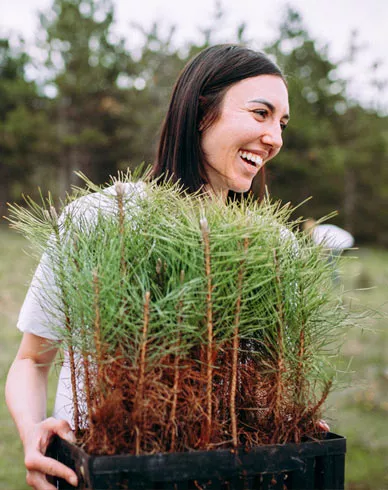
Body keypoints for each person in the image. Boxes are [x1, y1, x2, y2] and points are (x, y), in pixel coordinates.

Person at [6, 44, 327, 490]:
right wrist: (32, 435)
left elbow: (256, 391)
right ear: (200, 112)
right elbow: (31, 361)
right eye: (260, 113)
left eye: (282, 123)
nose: (275, 138)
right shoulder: (102, 219)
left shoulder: (275, 249)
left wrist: (290, 423)